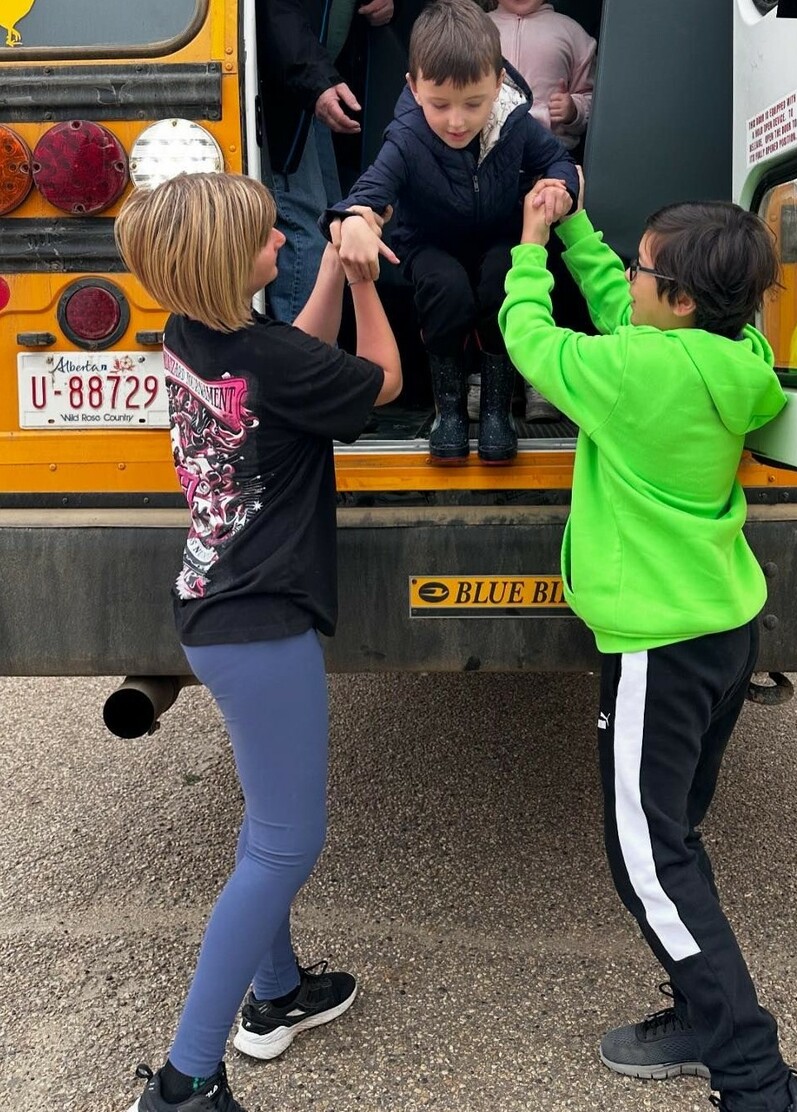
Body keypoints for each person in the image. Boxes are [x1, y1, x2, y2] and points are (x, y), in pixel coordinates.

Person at [498, 174, 797, 1112]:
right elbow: (624, 313)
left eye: (643, 271)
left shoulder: (630, 374)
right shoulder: (740, 356)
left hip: (658, 644)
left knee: (646, 860)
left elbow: (532, 341)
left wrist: (531, 246)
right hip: (724, 629)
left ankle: (756, 1080)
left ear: (678, 298)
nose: (630, 282)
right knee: (676, 833)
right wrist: (585, 241)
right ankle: (695, 1009)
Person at [114, 172, 401, 1112]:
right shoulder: (271, 361)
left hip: (211, 606)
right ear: (225, 263)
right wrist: (360, 280)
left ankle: (275, 995)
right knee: (287, 844)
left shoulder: (200, 336)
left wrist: (322, 273)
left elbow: (293, 359)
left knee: (267, 824)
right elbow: (378, 384)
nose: (284, 238)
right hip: (261, 622)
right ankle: (186, 1081)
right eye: (267, 234)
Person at [322, 0, 579, 464]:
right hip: (430, 242)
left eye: (473, 104)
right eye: (440, 104)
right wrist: (356, 219)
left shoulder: (515, 121)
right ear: (414, 88)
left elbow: (556, 160)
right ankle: (451, 412)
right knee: (446, 290)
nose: (456, 121)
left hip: (497, 235)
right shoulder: (407, 135)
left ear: (498, 85)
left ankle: (498, 411)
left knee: (505, 277)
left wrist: (561, 186)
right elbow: (369, 189)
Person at [486, 0, 596, 421]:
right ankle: (492, 375)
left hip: (549, 168)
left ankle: (543, 381)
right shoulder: (479, 27)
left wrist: (574, 109)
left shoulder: (569, 31)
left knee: (551, 272)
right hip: (488, 166)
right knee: (495, 266)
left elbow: (596, 94)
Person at [257, 0, 395, 323]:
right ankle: (303, 362)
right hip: (290, 91)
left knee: (331, 219)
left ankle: (321, 357)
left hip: (318, 85)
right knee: (305, 229)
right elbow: (275, 13)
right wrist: (315, 79)